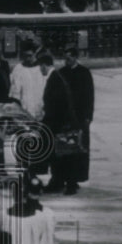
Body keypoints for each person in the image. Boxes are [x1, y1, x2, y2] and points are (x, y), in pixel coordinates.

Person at [42, 45, 94, 194]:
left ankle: (72, 181)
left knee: (76, 151)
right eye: (65, 57)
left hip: (78, 119)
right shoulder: (60, 73)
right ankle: (58, 179)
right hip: (62, 118)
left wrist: (88, 117)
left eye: (70, 57)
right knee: (60, 150)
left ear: (75, 57)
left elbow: (89, 96)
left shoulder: (84, 73)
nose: (67, 60)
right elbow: (52, 96)